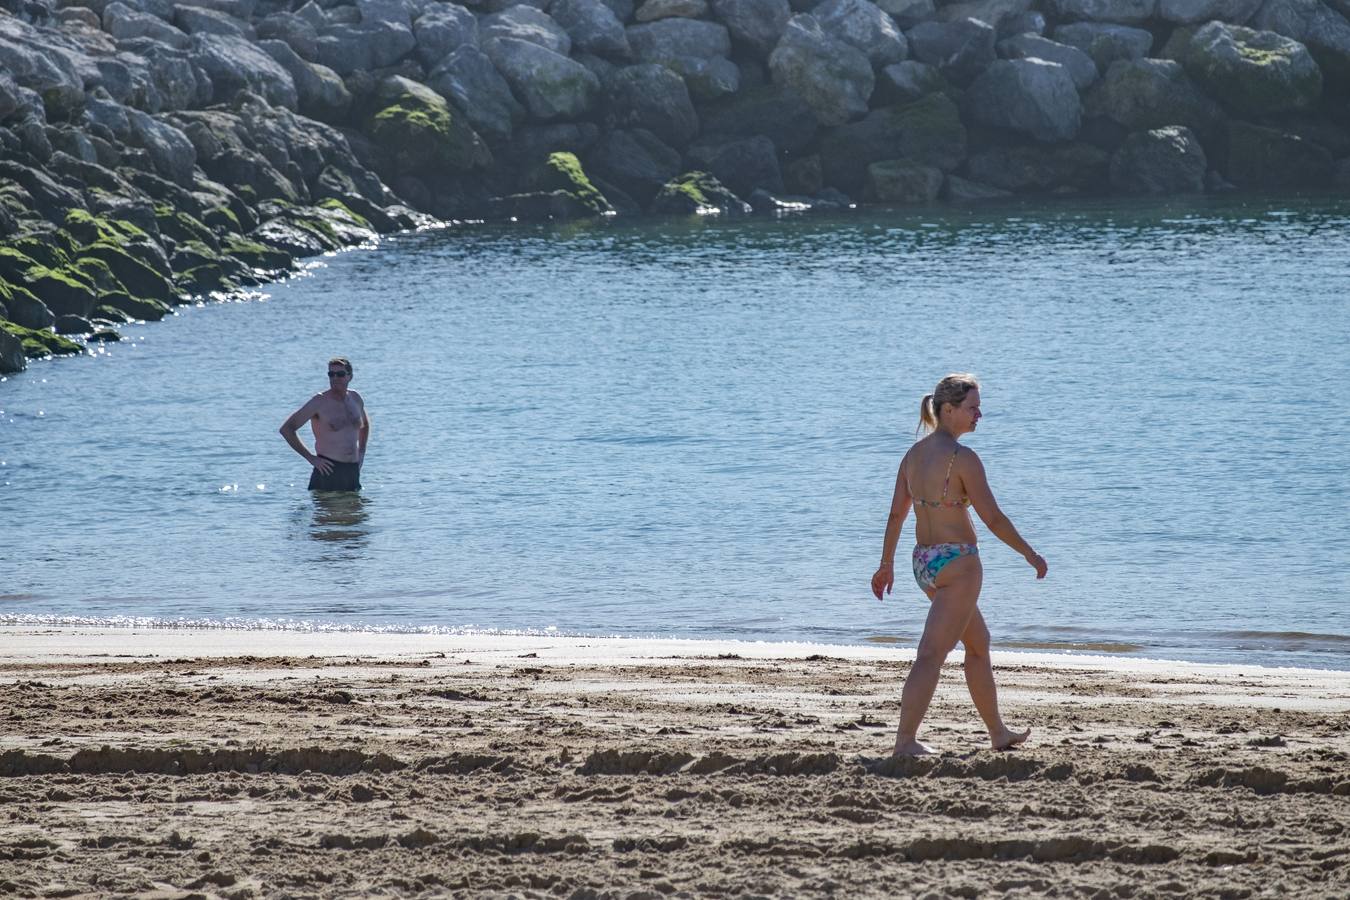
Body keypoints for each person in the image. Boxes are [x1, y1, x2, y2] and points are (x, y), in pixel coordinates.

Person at [871, 373, 1047, 756]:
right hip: (958, 565)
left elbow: (895, 517)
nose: (979, 414)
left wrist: (886, 564)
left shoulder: (912, 455)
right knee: (931, 653)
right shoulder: (962, 459)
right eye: (972, 408)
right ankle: (904, 742)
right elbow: (993, 518)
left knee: (978, 644)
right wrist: (1029, 554)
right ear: (948, 410)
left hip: (924, 564)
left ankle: (997, 732)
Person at [280, 357, 370, 492]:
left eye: (340, 374)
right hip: (328, 470)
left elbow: (364, 426)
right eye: (331, 374)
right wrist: (311, 458)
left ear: (349, 376)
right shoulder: (319, 402)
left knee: (356, 512)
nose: (335, 378)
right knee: (327, 512)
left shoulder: (355, 398)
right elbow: (287, 429)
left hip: (352, 470)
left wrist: (362, 452)